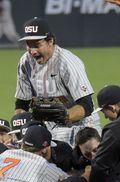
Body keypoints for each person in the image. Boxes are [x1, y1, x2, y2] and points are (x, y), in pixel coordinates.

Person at [14, 17, 100, 146]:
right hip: (50, 127)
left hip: (82, 126)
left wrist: (63, 115)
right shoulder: (25, 62)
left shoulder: (67, 62)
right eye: (29, 45)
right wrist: (26, 124)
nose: (32, 51)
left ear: (50, 41)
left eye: (37, 45)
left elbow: (87, 106)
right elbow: (22, 103)